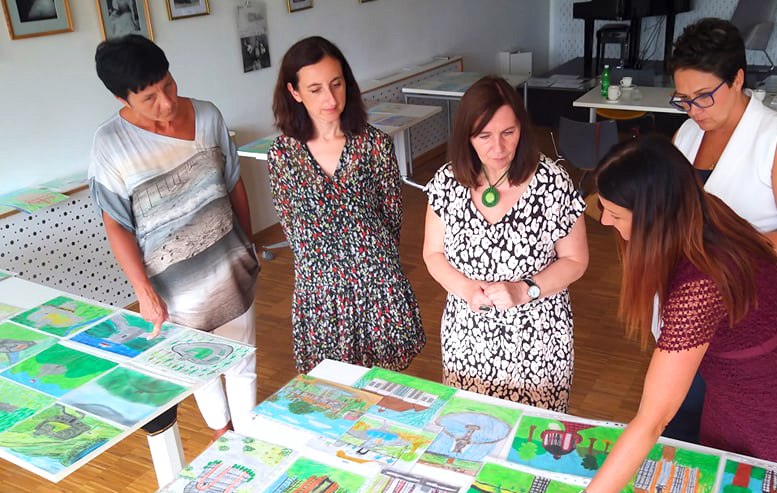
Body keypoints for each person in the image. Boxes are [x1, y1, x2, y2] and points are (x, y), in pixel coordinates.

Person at [556, 136, 777, 493]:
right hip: (733, 395)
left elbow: (653, 418)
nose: (604, 222)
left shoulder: (702, 284)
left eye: (615, 214)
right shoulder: (702, 211)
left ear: (654, 215)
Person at [89, 35, 260, 437]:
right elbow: (117, 224)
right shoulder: (110, 144)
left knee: (242, 359)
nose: (166, 103)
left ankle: (248, 438)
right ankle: (222, 434)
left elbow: (233, 183)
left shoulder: (207, 115)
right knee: (198, 367)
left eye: (168, 84)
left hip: (229, 265)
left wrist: (249, 244)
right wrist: (144, 291)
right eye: (149, 98)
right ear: (121, 98)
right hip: (173, 286)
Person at [663, 18, 777, 443]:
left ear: (737, 79)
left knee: (734, 425)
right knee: (682, 420)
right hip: (690, 306)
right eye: (684, 100)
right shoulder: (688, 134)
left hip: (748, 312)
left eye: (704, 96)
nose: (694, 110)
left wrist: (714, 249)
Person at [422, 76, 589, 412]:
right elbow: (433, 254)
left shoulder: (553, 183)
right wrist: (467, 290)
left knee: (533, 432)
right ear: (467, 136)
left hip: (538, 341)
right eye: (484, 136)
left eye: (508, 133)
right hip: (468, 339)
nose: (498, 148)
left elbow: (575, 260)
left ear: (522, 129)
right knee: (467, 426)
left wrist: (524, 290)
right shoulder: (447, 182)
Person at [268, 36, 424, 374]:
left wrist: (370, 259)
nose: (330, 98)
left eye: (336, 84)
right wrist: (324, 264)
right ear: (294, 92)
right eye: (315, 89)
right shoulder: (282, 155)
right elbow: (290, 221)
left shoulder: (374, 145)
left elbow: (392, 215)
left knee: (384, 384)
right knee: (331, 387)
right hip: (319, 291)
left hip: (375, 282)